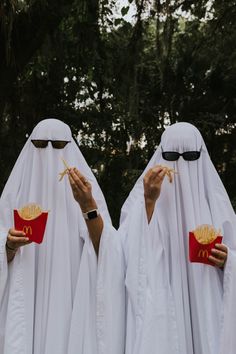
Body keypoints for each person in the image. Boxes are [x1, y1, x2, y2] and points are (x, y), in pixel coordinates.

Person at [118, 122, 236, 354]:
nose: (180, 164)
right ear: (161, 154)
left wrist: (228, 260)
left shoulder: (216, 202)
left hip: (206, 296)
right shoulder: (142, 198)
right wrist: (150, 201)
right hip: (163, 298)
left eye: (190, 156)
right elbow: (124, 251)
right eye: (171, 156)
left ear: (200, 156)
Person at [0, 118, 113, 354]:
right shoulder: (14, 193)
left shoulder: (86, 190)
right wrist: (8, 245)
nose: (50, 151)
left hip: (71, 290)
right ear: (31, 145)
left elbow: (107, 251)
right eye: (41, 144)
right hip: (26, 288)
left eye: (59, 145)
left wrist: (87, 205)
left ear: (70, 147)